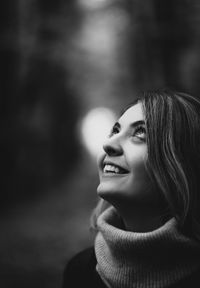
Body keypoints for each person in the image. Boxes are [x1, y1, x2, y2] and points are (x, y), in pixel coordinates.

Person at [62, 88, 200, 288]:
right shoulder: (79, 272)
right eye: (116, 131)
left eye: (140, 132)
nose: (108, 143)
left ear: (181, 163)